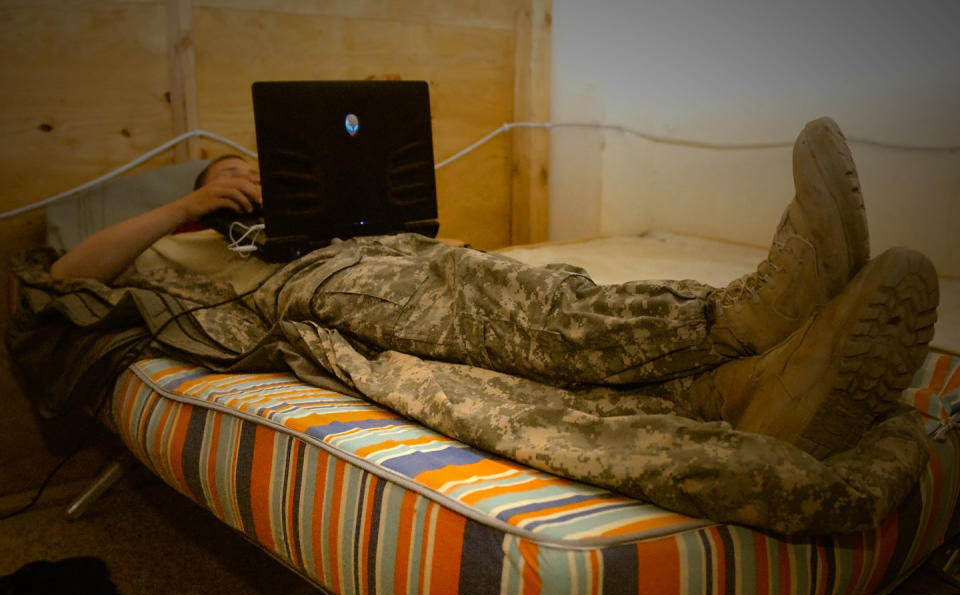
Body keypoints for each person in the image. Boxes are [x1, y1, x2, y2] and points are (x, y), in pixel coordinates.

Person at [44, 118, 940, 460]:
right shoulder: (169, 245)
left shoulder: (274, 232)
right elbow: (56, 280)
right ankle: (736, 315)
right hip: (290, 297)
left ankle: (744, 389)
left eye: (252, 169)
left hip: (340, 262)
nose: (243, 178)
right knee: (477, 291)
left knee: (517, 289)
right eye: (230, 172)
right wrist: (191, 199)